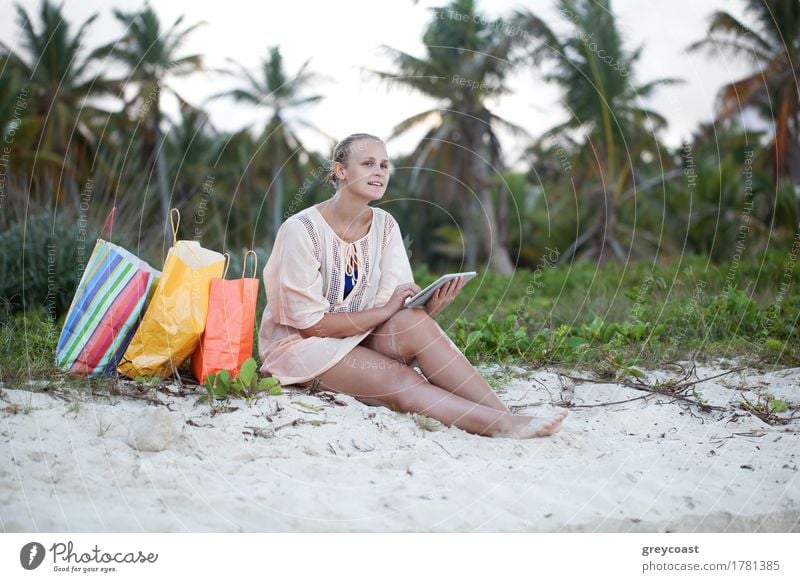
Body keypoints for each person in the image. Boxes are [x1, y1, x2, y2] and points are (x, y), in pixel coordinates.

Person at [258, 133, 567, 438]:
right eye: (368, 163)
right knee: (401, 377)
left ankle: (506, 415)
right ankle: (498, 426)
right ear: (340, 170)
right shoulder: (301, 230)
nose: (379, 172)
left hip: (357, 336)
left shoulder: (385, 224)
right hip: (301, 347)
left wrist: (426, 306)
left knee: (415, 322)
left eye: (384, 165)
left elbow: (394, 302)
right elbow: (313, 326)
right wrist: (388, 310)